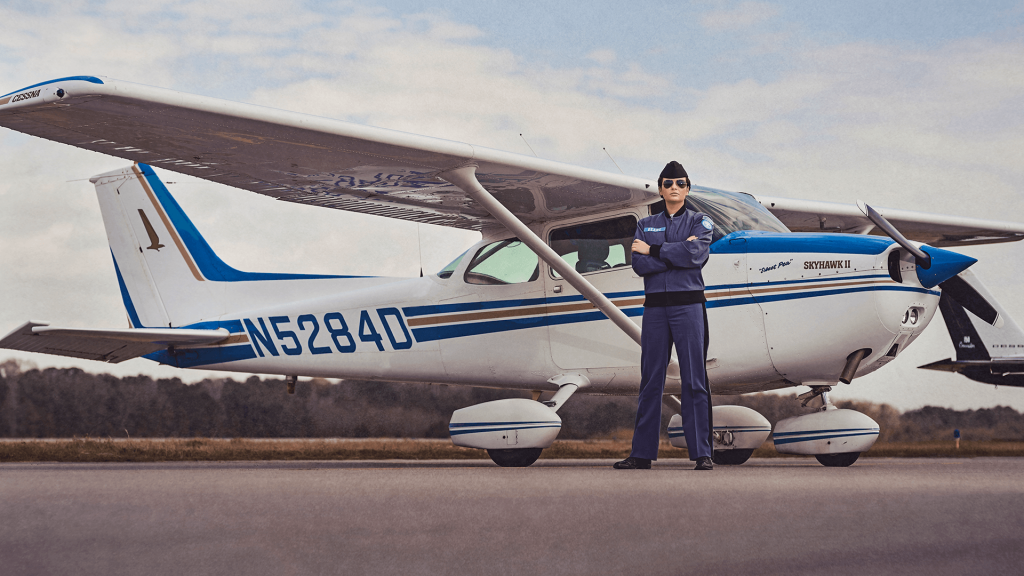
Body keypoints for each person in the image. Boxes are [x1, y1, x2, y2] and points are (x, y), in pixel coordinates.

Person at [614, 161, 715, 471]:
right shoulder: (646, 224)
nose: (674, 187)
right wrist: (676, 253)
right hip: (656, 308)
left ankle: (702, 454)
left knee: (694, 379)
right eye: (668, 182)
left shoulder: (701, 221)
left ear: (687, 188)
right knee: (651, 380)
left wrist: (655, 251)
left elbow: (696, 255)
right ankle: (641, 454)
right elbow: (639, 265)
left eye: (680, 183)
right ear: (660, 188)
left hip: (689, 308)